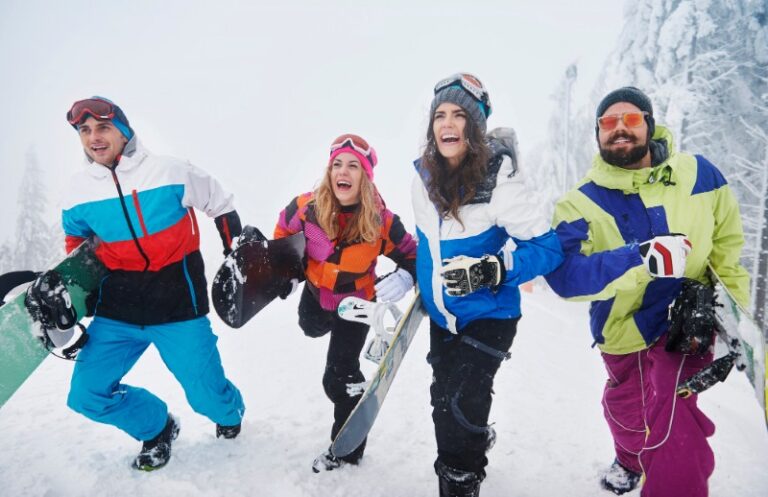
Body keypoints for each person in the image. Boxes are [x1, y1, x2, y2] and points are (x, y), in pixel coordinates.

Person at [544, 87, 750, 496]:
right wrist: (639, 260)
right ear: (597, 134)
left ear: (649, 124)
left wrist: (737, 314)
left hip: (687, 323)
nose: (620, 129)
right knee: (626, 412)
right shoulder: (580, 203)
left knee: (673, 418)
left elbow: (727, 248)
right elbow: (566, 276)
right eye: (608, 123)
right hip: (623, 328)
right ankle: (629, 458)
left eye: (632, 119)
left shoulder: (699, 174)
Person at [26, 96, 246, 471]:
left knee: (208, 399)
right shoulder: (77, 192)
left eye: (103, 127)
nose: (94, 137)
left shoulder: (170, 171)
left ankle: (229, 412)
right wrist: (61, 288)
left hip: (178, 305)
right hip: (119, 311)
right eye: (85, 130)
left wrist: (237, 252)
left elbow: (220, 204)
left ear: (124, 131)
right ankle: (157, 427)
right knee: (87, 396)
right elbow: (77, 250)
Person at [411, 73, 564, 497]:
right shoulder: (421, 180)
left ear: (475, 127)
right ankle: (472, 441)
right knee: (444, 400)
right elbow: (427, 244)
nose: (447, 123)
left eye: (459, 115)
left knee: (460, 402)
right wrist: (411, 275)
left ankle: (460, 479)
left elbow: (548, 250)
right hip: (444, 317)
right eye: (440, 114)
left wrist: (490, 270)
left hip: (491, 315)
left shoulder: (500, 183)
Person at [273, 133, 418, 473]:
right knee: (308, 327)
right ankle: (330, 342)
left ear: (365, 176)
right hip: (315, 294)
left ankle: (347, 447)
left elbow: (414, 256)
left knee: (337, 379)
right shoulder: (305, 209)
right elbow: (281, 236)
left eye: (354, 165)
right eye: (338, 164)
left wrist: (407, 275)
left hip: (356, 304)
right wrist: (287, 272)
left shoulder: (381, 221)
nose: (344, 171)